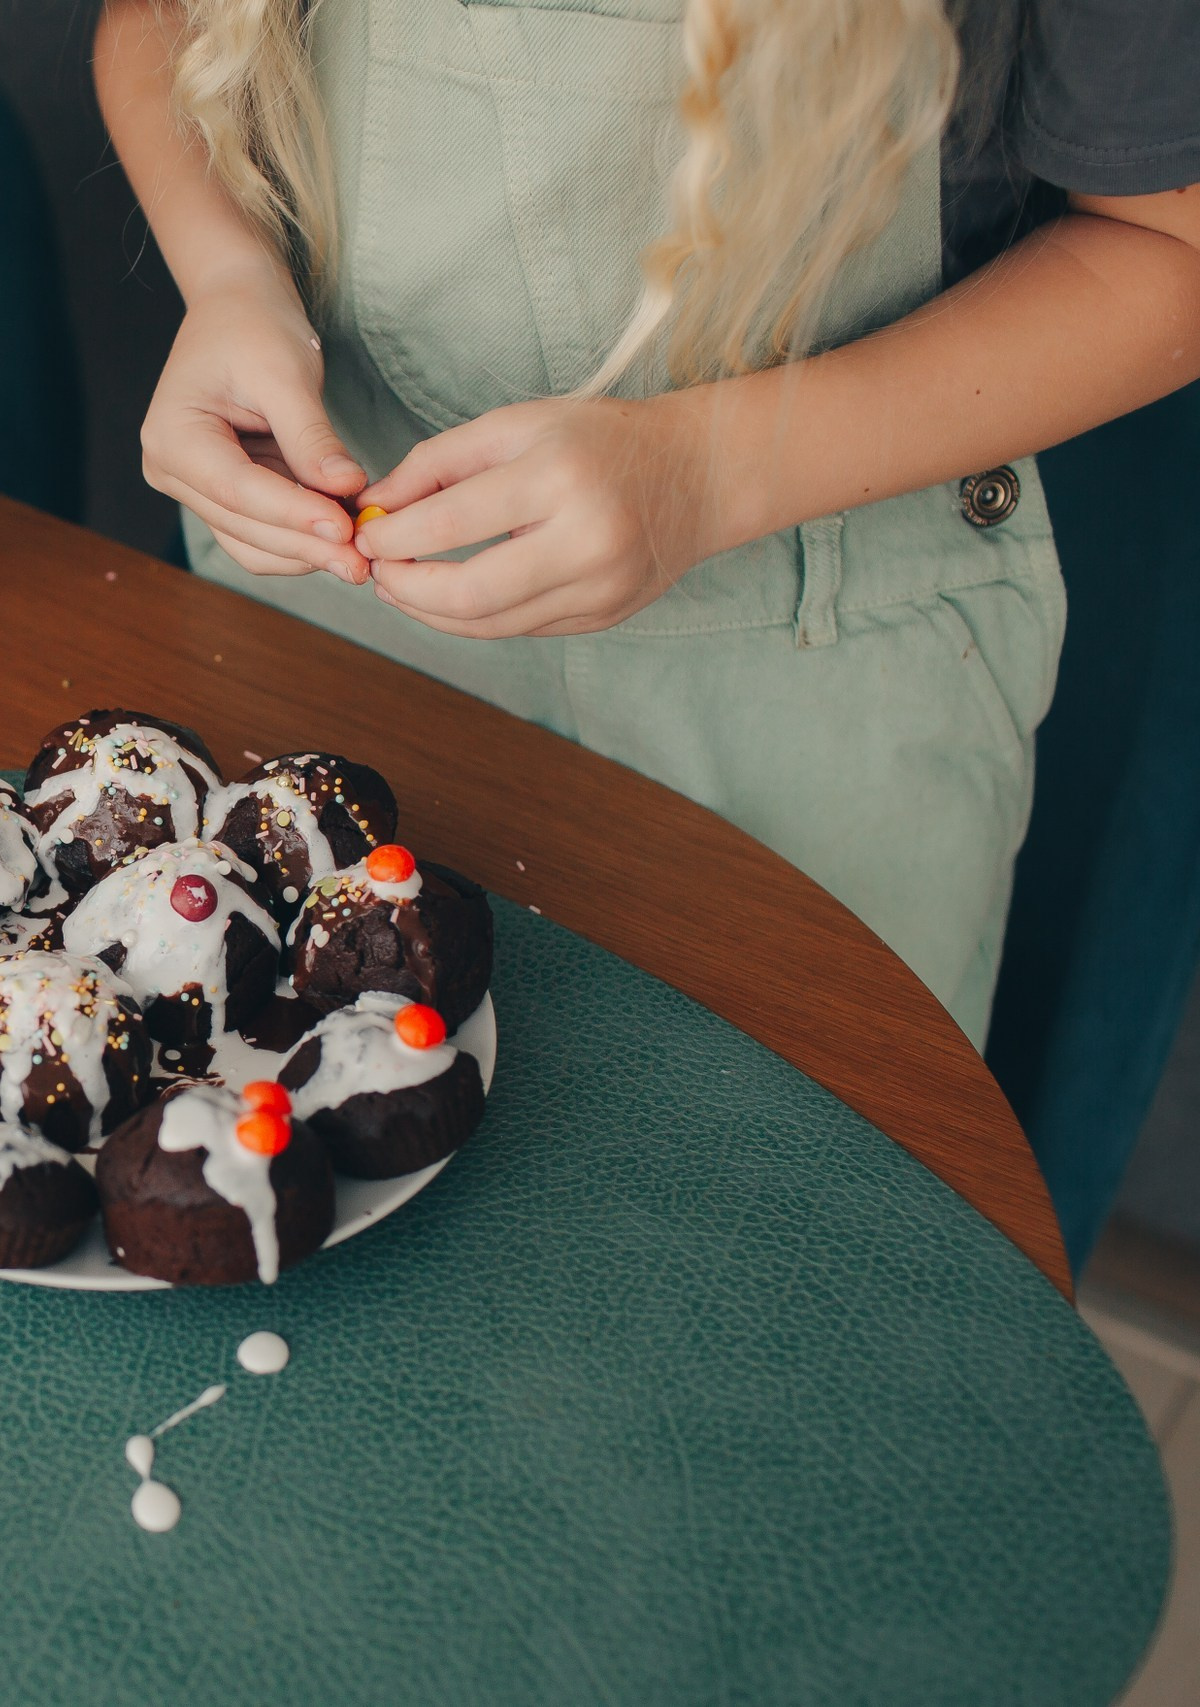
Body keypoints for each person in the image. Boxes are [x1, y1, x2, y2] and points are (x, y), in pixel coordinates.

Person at [94, 0, 1200, 1046]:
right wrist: (228, 276)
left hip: (814, 699)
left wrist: (703, 475)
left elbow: (1170, 248)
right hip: (325, 625)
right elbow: (153, 22)